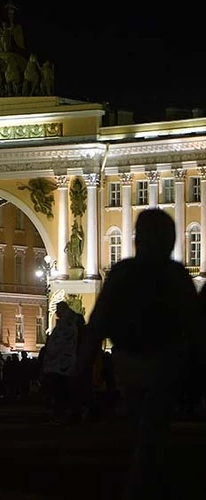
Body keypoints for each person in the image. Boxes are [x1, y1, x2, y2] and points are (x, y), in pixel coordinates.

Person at [86, 209, 203, 500]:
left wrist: (83, 360)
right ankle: (145, 482)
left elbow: (99, 319)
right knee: (153, 427)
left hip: (129, 361)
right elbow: (195, 323)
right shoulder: (175, 275)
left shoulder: (123, 272)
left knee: (142, 425)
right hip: (164, 362)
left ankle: (144, 480)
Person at [41, 301, 84, 425]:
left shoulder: (66, 324)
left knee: (60, 392)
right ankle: (68, 414)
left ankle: (61, 416)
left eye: (58, 309)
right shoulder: (70, 322)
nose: (56, 312)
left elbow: (59, 344)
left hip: (61, 364)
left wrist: (50, 354)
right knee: (64, 391)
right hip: (65, 363)